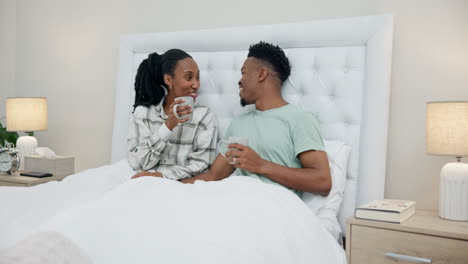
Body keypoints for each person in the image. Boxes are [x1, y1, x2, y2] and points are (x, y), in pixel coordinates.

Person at [181, 42, 331, 197]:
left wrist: (261, 165)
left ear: (261, 74)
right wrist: (167, 185)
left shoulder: (299, 119)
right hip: (237, 205)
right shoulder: (238, 124)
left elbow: (322, 182)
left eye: (244, 73)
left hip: (277, 209)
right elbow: (213, 177)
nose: (240, 81)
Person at [128, 49, 217, 180]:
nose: (196, 84)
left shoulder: (204, 116)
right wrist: (167, 127)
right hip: (144, 183)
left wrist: (162, 176)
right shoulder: (144, 113)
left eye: (197, 77)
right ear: (168, 80)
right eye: (189, 77)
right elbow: (139, 163)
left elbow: (202, 164)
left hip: (181, 187)